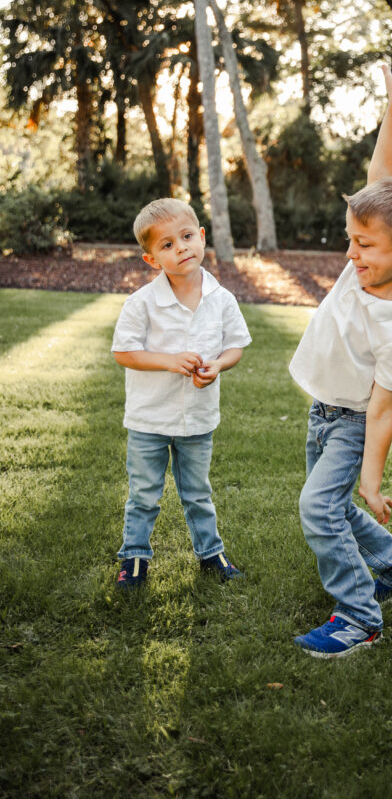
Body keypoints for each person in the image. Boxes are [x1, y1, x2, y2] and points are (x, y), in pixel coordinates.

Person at [289, 43, 392, 657]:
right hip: (323, 409)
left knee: (320, 511)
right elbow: (384, 173)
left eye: (364, 247)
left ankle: (359, 616)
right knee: (328, 508)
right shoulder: (369, 259)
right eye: (350, 241)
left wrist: (372, 479)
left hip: (351, 420)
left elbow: (382, 410)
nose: (350, 256)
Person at [111, 198, 251, 590]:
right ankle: (134, 557)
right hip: (149, 419)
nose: (181, 248)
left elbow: (236, 346)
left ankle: (211, 554)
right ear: (152, 259)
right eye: (167, 245)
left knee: (197, 493)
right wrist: (168, 361)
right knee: (143, 495)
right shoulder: (142, 303)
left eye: (187, 237)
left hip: (198, 418)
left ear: (202, 236)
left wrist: (218, 366)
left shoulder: (221, 299)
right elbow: (124, 352)